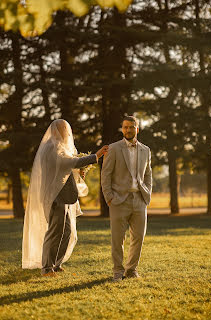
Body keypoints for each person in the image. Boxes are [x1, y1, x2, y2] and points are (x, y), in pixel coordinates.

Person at [22, 119, 108, 277]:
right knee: (55, 232)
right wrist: (95, 156)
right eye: (63, 129)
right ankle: (46, 268)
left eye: (67, 129)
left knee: (67, 231)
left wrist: (78, 171)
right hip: (55, 196)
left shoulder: (61, 146)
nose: (67, 132)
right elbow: (65, 163)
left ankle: (56, 263)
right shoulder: (50, 146)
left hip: (66, 196)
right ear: (56, 130)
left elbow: (65, 169)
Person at [101, 115, 152, 282]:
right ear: (122, 129)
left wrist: (147, 193)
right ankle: (117, 271)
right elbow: (105, 175)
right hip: (118, 200)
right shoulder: (114, 148)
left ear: (137, 129)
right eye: (125, 127)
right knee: (117, 239)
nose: (128, 130)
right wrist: (109, 197)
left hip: (139, 199)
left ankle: (131, 270)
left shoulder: (146, 150)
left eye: (131, 127)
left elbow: (148, 174)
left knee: (138, 237)